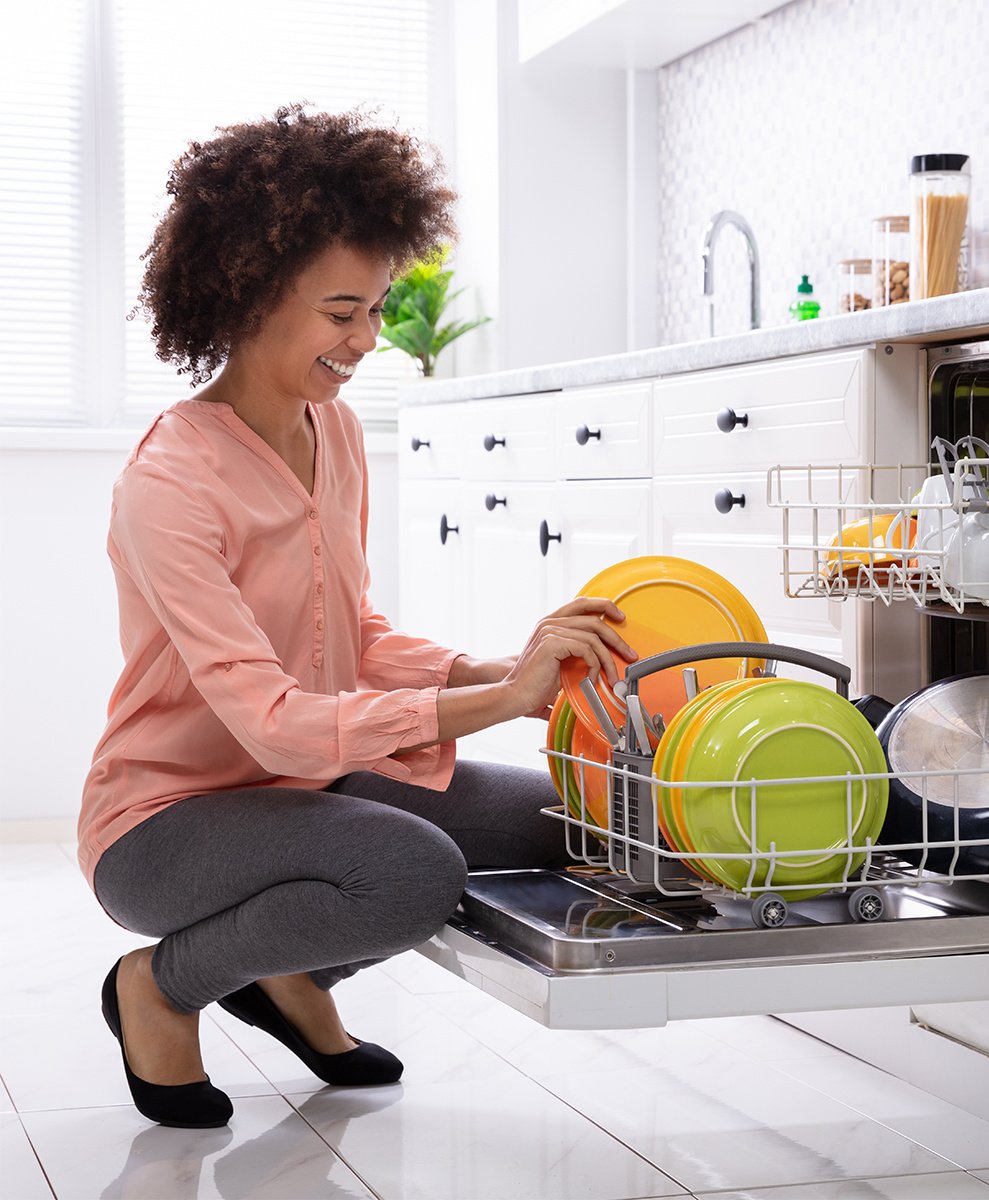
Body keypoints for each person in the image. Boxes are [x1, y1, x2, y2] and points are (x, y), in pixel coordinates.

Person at [78, 104, 635, 1130]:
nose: (367, 340)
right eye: (344, 312)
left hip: (307, 788)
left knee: (576, 815)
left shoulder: (331, 430)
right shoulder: (170, 482)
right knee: (411, 871)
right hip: (166, 824)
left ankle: (284, 967)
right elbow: (272, 721)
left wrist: (502, 672)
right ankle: (162, 985)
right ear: (248, 295)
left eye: (377, 309)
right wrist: (491, 701)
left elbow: (355, 637)